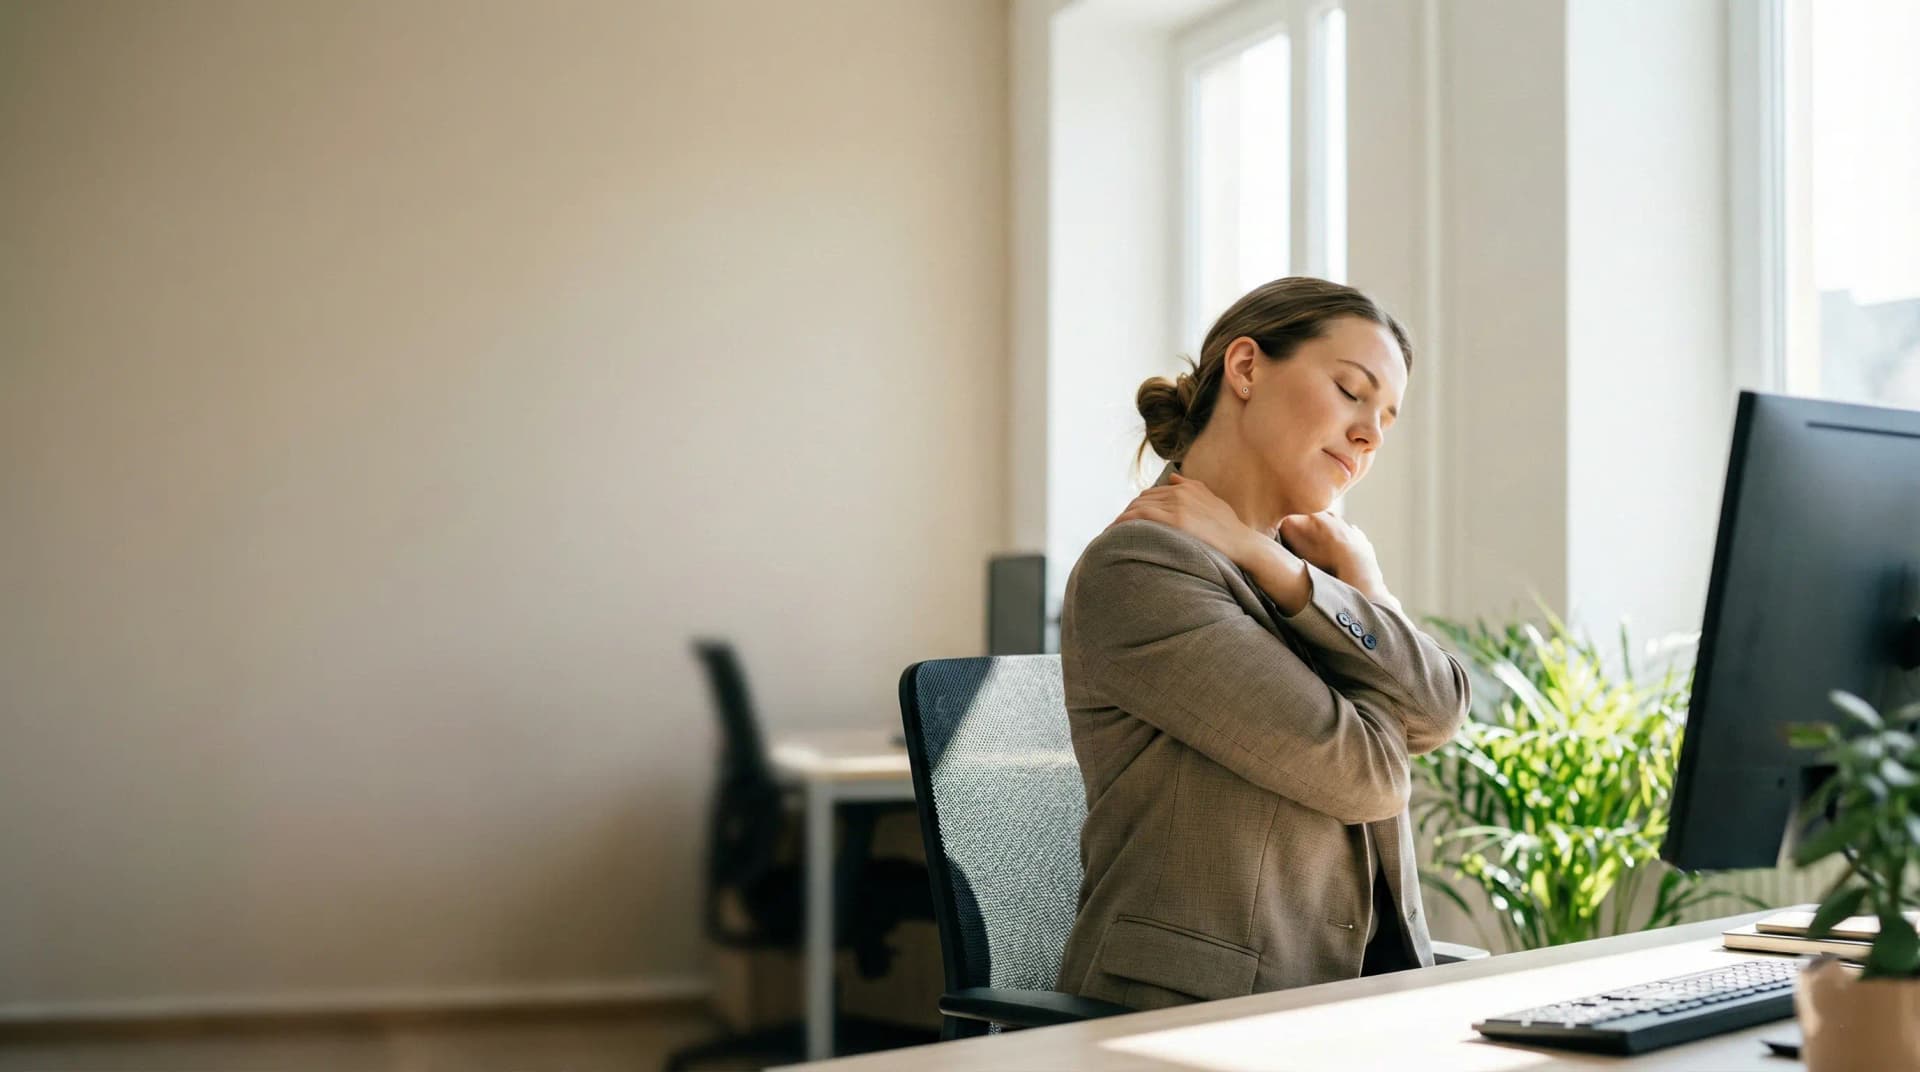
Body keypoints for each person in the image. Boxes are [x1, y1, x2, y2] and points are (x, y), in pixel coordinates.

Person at [1054, 276, 1470, 1012]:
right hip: (1191, 1020)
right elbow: (1368, 775)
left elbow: (1440, 711)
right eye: (1351, 390)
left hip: (1348, 1012)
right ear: (1246, 368)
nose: (1371, 433)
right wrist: (1284, 569)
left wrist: (1328, 575)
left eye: (1387, 419)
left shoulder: (1307, 577)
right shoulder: (1142, 568)